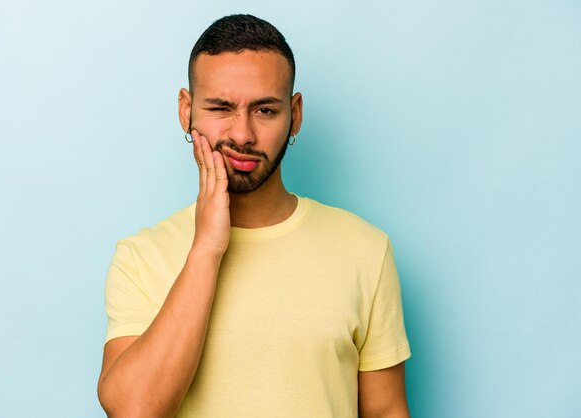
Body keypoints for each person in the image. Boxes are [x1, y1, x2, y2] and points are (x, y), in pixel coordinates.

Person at [97, 14, 411, 418]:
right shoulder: (140, 257)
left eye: (265, 110)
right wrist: (207, 248)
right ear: (186, 111)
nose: (242, 134)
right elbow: (133, 411)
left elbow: (387, 411)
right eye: (220, 108)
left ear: (294, 114)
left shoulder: (366, 250)